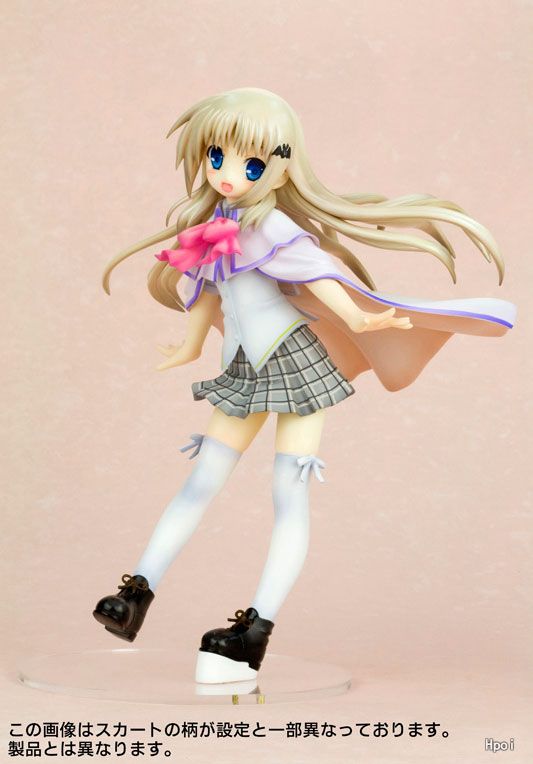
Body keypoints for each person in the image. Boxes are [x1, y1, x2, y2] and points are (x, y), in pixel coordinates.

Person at [93, 87, 516, 684]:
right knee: (202, 479)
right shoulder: (217, 226)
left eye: (251, 165)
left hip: (297, 368)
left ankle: (253, 631)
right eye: (216, 157)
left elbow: (318, 277)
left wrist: (361, 320)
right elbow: (209, 290)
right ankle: (134, 595)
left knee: (287, 494)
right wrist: (189, 346)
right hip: (243, 370)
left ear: (282, 166)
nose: (228, 174)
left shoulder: (273, 228)